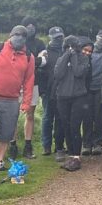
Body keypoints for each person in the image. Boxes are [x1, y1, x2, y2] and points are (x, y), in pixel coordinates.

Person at [0, 26, 35, 175]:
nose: (19, 38)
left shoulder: (29, 56)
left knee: (5, 133)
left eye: (23, 36)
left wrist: (26, 102)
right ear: (10, 35)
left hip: (12, 101)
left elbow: (29, 80)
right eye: (16, 34)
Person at [54, 35, 94, 172]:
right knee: (66, 125)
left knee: (75, 126)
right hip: (62, 97)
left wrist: (74, 56)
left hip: (78, 96)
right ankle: (70, 154)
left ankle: (76, 156)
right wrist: (67, 55)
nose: (71, 49)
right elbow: (58, 74)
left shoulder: (84, 59)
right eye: (68, 47)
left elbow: (78, 72)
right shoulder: (62, 58)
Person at [9, 18, 44, 159]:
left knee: (30, 115)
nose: (31, 28)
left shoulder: (39, 43)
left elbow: (43, 60)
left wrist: (36, 62)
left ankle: (28, 145)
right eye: (27, 25)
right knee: (13, 116)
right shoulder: (13, 44)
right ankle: (12, 145)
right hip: (15, 84)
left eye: (33, 25)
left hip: (32, 83)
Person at [37, 26, 65, 156]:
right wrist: (42, 91)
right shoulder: (45, 53)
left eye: (60, 37)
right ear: (51, 38)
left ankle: (59, 146)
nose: (59, 39)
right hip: (48, 91)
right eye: (56, 38)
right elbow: (40, 73)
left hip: (63, 91)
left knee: (60, 119)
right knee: (48, 118)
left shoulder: (66, 51)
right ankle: (46, 146)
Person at [86, 30, 102, 155]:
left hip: (101, 89)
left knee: (99, 117)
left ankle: (98, 143)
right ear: (96, 38)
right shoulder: (88, 51)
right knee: (87, 117)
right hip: (87, 89)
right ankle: (86, 143)